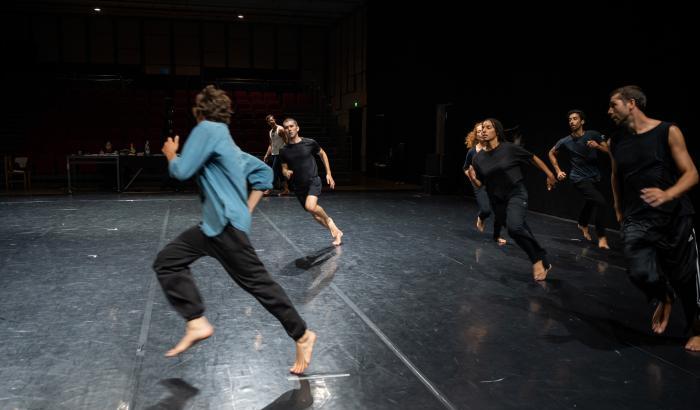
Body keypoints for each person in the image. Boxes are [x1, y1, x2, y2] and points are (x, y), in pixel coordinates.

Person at [152, 85, 316, 373]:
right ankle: (196, 321)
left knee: (260, 285)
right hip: (214, 228)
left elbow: (180, 171)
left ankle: (302, 334)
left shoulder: (207, 131)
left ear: (199, 111)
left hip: (225, 228)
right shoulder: (227, 143)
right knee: (168, 261)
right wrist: (246, 212)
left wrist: (170, 153)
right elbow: (264, 174)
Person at [607, 85, 700, 351]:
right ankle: (663, 296)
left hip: (675, 217)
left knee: (686, 279)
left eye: (613, 104)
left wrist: (667, 194)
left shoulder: (667, 131)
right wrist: (617, 208)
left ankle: (695, 329)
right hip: (638, 218)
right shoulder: (616, 141)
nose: (609, 110)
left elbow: (692, 173)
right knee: (638, 270)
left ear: (632, 103)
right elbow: (615, 176)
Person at [469, 118, 557, 281]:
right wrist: (474, 179)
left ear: (497, 131)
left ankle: (537, 260)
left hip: (516, 193)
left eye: (488, 127)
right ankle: (544, 260)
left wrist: (550, 174)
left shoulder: (508, 149)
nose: (484, 130)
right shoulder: (478, 158)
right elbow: (481, 182)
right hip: (497, 200)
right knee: (522, 230)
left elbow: (532, 158)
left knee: (514, 228)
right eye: (482, 128)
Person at [548, 109, 611, 249]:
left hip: (595, 177)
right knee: (600, 202)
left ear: (582, 121)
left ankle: (582, 223)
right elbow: (551, 153)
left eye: (575, 118)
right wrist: (558, 171)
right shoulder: (565, 141)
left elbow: (609, 151)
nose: (572, 121)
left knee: (591, 201)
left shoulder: (593, 134)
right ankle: (602, 237)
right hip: (578, 178)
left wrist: (597, 146)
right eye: (570, 119)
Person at [279, 118, 343, 246]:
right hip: (298, 186)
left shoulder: (310, 143)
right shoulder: (283, 150)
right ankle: (336, 232)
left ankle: (330, 222)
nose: (289, 129)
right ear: (284, 131)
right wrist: (285, 172)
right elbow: (284, 168)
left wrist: (328, 173)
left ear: (297, 128)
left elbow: (322, 154)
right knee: (315, 215)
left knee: (310, 206)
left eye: (291, 126)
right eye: (286, 127)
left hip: (313, 180)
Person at [463, 121, 506, 245]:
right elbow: (465, 167)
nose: (481, 133)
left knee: (499, 211)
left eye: (483, 130)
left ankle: (496, 236)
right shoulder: (472, 151)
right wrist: (471, 176)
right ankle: (481, 218)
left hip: (494, 182)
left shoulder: (494, 148)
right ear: (475, 134)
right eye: (478, 131)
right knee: (486, 210)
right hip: (478, 183)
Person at [263, 114, 289, 195]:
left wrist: (287, 152)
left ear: (274, 120)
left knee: (273, 171)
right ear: (268, 123)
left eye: (272, 120)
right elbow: (271, 144)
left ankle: (269, 189)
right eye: (269, 121)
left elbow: (287, 141)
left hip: (281, 153)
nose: (271, 122)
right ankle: (286, 190)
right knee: (281, 173)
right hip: (274, 153)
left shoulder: (280, 129)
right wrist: (267, 155)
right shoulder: (270, 132)